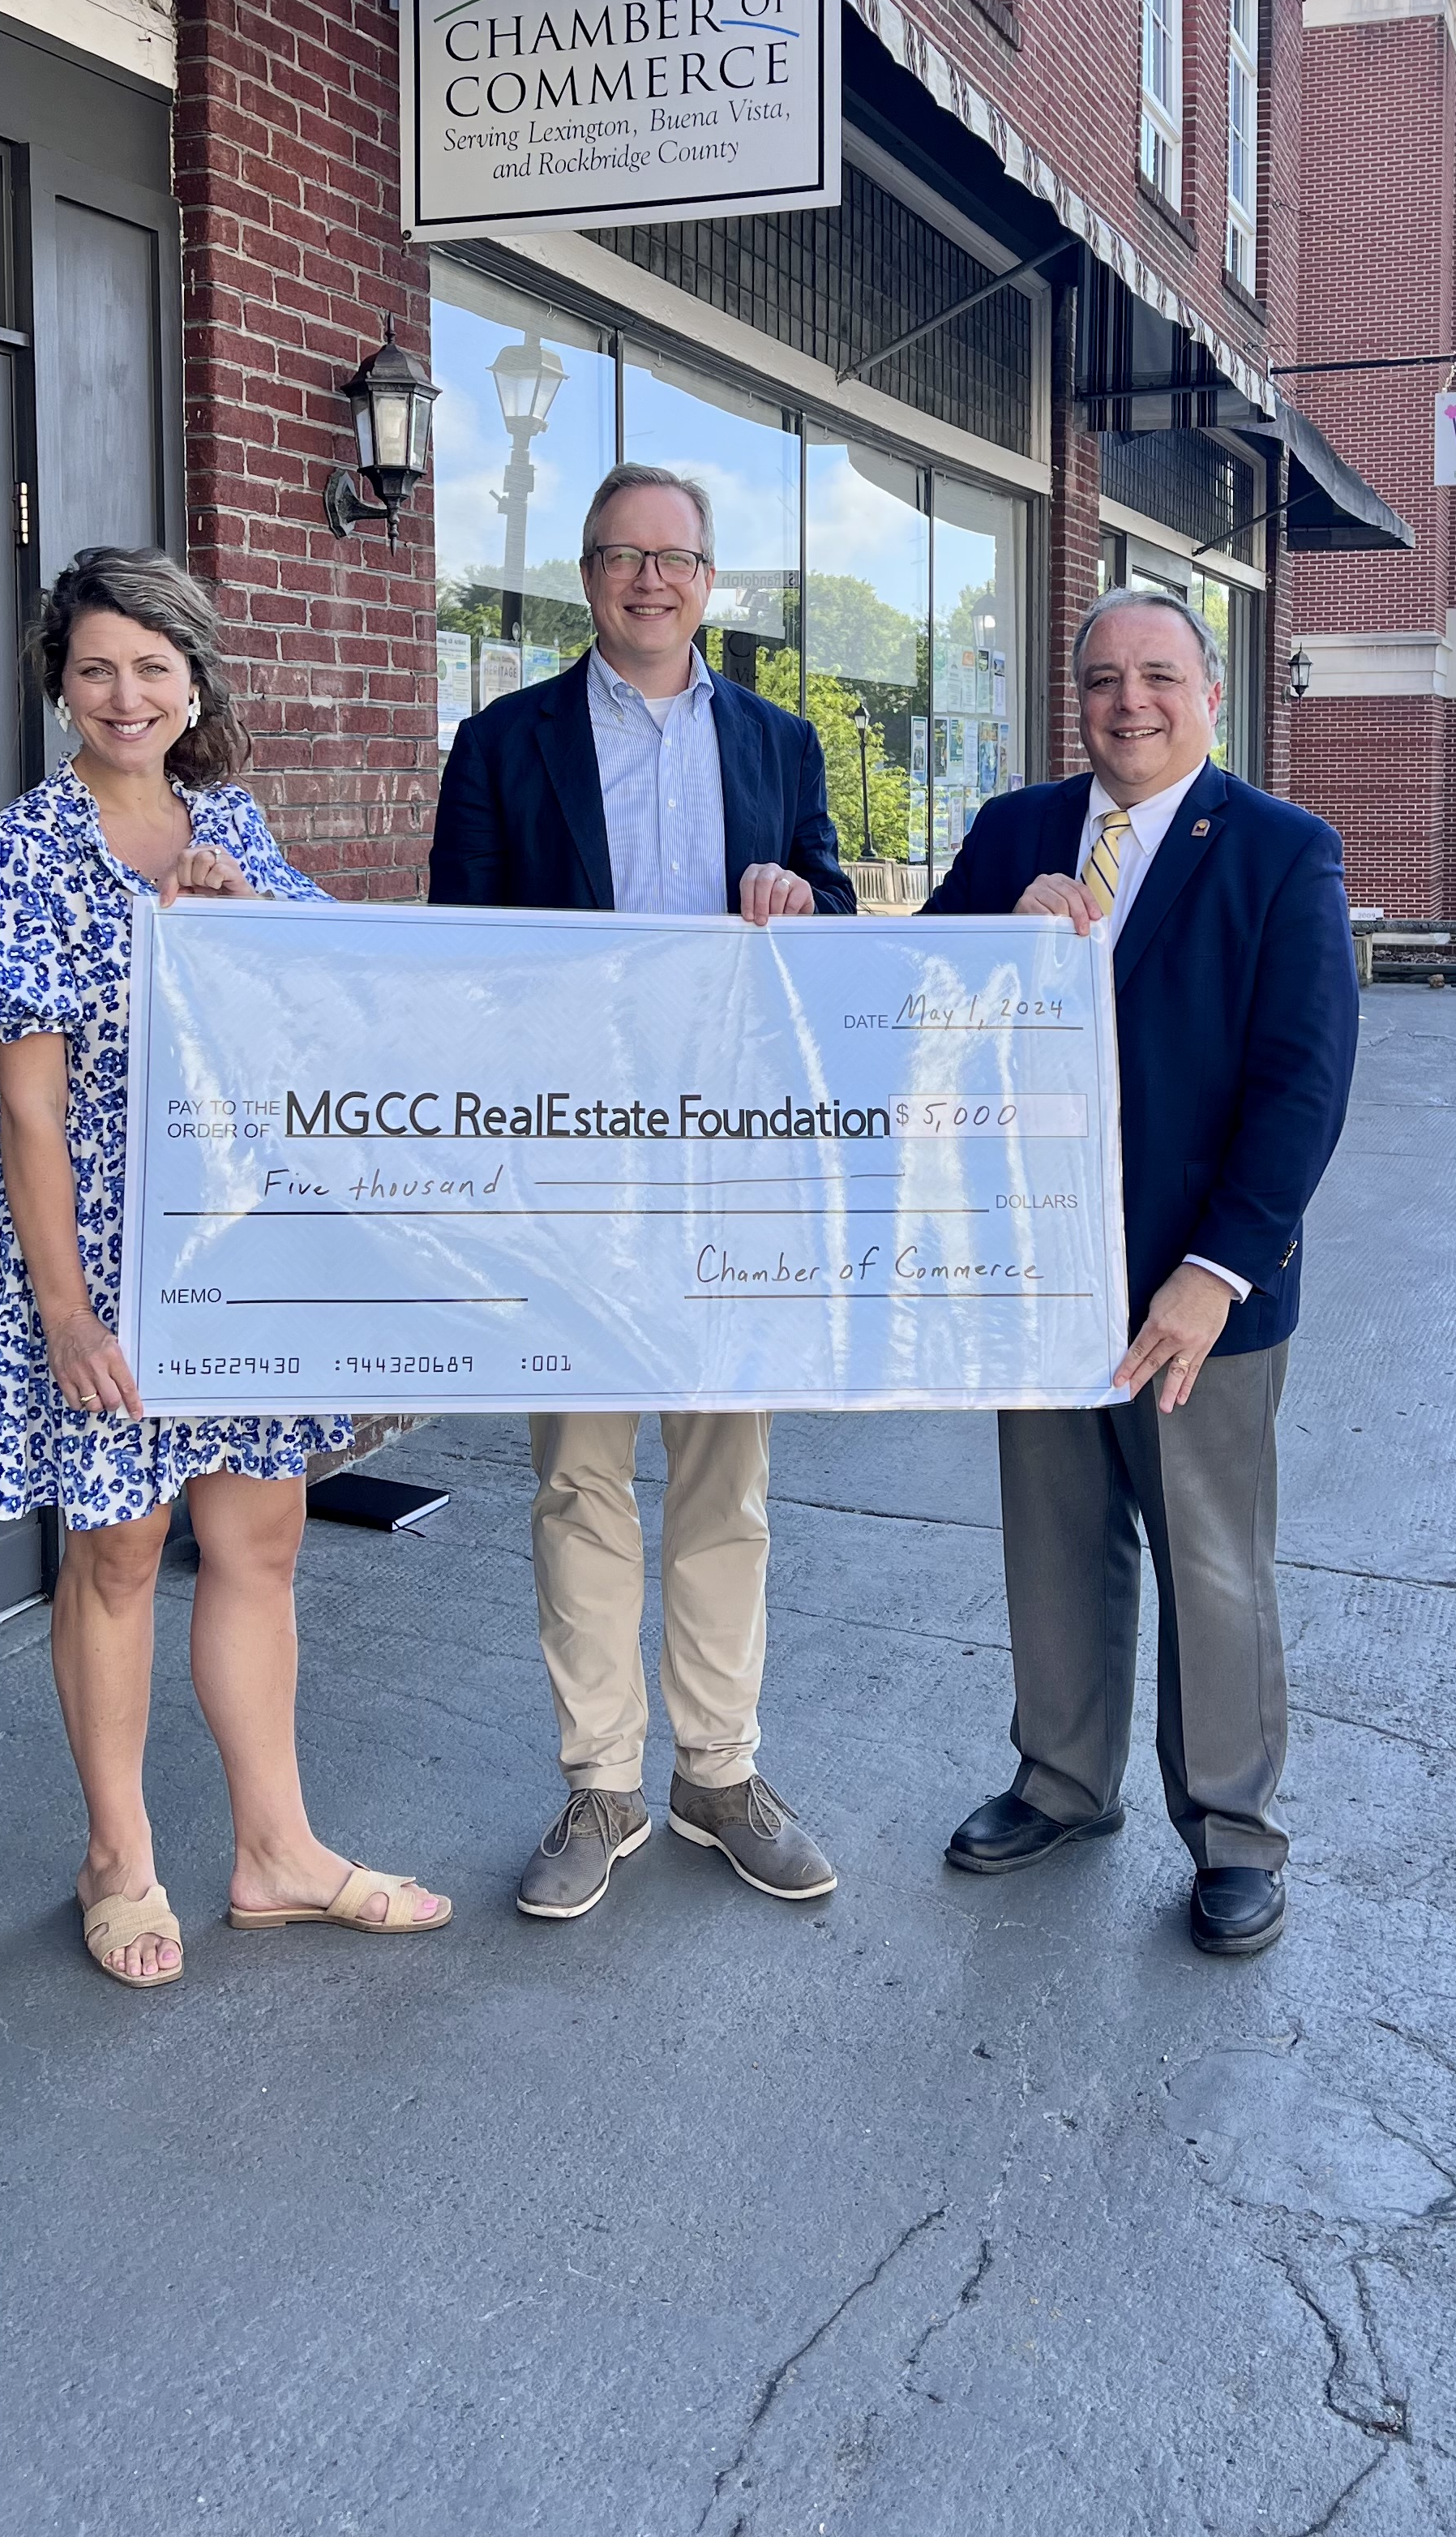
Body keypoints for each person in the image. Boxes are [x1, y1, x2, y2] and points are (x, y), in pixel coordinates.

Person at [0, 546, 449, 1987]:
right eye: (97, 666)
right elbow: (28, 1103)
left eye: (153, 666)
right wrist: (64, 1311)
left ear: (193, 682)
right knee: (119, 1550)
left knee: (263, 1541)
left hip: (236, 1253)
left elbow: (323, 1007)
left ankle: (277, 1851)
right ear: (61, 682)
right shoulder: (19, 852)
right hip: (93, 1257)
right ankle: (118, 1854)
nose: (125, 693)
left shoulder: (234, 828)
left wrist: (242, 920)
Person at [430, 462, 855, 1922]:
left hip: (733, 1169)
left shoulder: (786, 744)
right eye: (622, 558)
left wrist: (805, 905)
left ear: (709, 580)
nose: (650, 582)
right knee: (580, 1472)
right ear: (589, 577)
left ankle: (718, 1773)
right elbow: (457, 958)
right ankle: (601, 1780)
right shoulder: (500, 743)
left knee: (726, 1477)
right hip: (573, 1165)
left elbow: (836, 923)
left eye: (675, 558)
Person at [924, 584, 1358, 1958]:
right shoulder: (1011, 835)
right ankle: (1061, 1782)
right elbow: (917, 998)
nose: (1131, 702)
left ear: (1209, 694)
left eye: (1159, 675)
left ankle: (1233, 1835)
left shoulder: (1283, 852)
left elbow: (1304, 1086)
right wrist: (1001, 932)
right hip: (1038, 1270)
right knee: (1054, 1537)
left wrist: (1215, 1269)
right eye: (1105, 677)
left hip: (1196, 1291)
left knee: (1210, 1559)